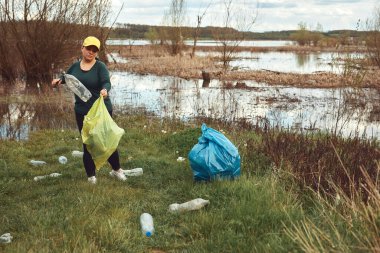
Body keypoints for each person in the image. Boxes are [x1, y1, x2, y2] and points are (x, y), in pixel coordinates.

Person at [52, 36, 126, 184]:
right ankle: (91, 177)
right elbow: (66, 77)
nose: (91, 52)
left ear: (97, 53)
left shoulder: (100, 67)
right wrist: (57, 81)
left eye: (94, 50)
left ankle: (116, 170)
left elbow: (106, 82)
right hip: (82, 111)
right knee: (87, 143)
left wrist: (105, 89)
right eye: (88, 49)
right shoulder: (74, 66)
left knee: (106, 142)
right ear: (82, 48)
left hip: (101, 110)